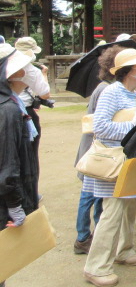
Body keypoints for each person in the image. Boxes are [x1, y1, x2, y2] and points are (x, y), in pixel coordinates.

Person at [83, 48, 136, 287]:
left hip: (126, 160)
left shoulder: (133, 92)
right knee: (112, 212)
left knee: (128, 207)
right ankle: (96, 267)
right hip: (112, 161)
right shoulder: (112, 92)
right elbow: (100, 127)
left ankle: (124, 250)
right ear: (130, 71)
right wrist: (134, 129)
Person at [73, 45, 125, 255]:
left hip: (95, 147)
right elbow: (100, 124)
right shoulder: (106, 89)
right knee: (89, 194)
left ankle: (86, 235)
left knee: (92, 194)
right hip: (97, 149)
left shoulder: (105, 87)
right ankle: (83, 237)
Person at [0, 46, 39, 275]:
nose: (26, 72)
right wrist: (16, 206)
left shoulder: (13, 103)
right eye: (21, 68)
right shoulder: (7, 110)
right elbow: (7, 165)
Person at [14, 37, 51, 175]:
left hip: (7, 109)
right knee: (30, 155)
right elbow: (45, 94)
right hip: (27, 113)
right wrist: (44, 75)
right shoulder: (31, 70)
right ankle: (32, 193)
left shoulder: (5, 65)